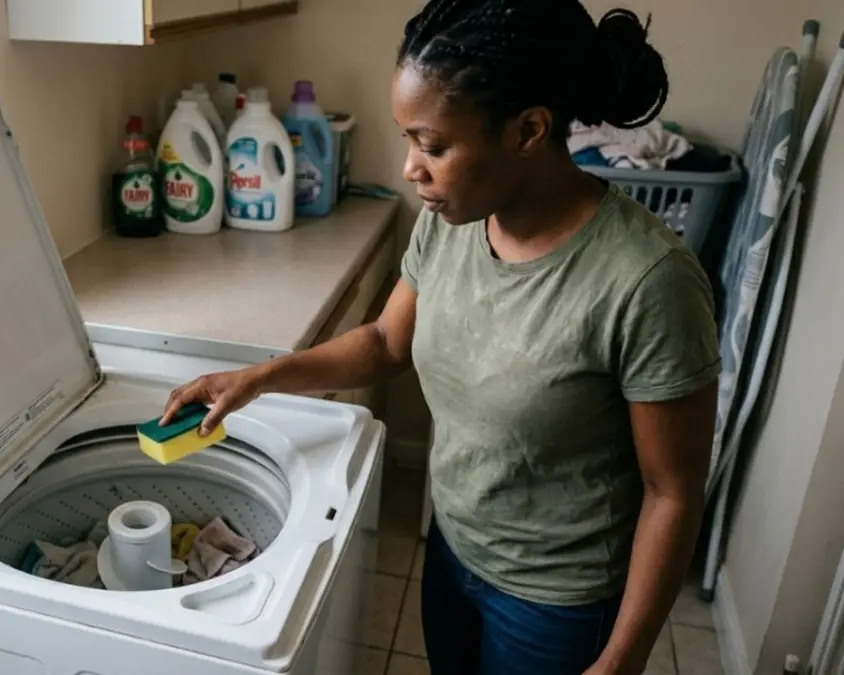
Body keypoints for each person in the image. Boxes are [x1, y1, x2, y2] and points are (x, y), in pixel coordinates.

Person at [159, 1, 721, 673]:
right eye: (408, 140)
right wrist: (257, 378)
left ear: (529, 130)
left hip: (556, 603)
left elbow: (672, 492)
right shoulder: (453, 219)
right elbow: (384, 341)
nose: (410, 169)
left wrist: (622, 658)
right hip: (453, 554)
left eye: (433, 146)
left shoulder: (648, 280)